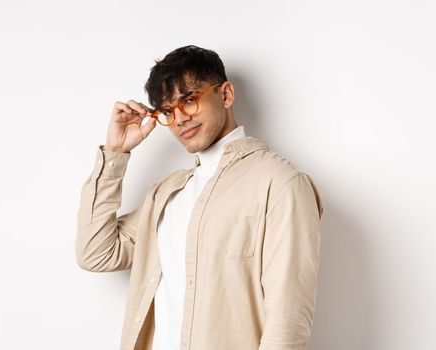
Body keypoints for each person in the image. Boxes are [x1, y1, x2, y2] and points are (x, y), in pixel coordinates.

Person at [75, 45, 325, 350]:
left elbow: (288, 320)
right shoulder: (167, 194)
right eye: (168, 111)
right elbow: (95, 253)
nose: (179, 119)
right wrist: (116, 153)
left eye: (189, 101)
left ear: (226, 95)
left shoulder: (280, 183)